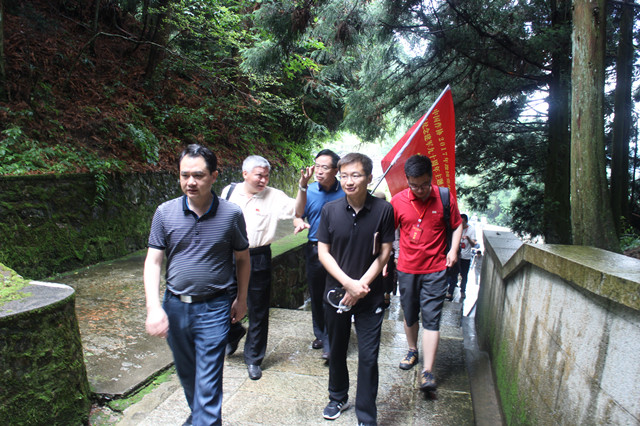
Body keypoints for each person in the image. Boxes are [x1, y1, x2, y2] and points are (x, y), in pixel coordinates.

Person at [144, 144, 251, 426]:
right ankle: (200, 416)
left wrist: (241, 299)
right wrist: (154, 308)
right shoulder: (164, 212)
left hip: (214, 307)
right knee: (188, 373)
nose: (190, 182)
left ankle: (205, 419)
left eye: (199, 175)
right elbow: (153, 261)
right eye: (185, 175)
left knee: (209, 379)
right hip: (175, 306)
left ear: (214, 176)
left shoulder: (231, 214)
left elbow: (243, 259)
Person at [317, 153, 395, 425]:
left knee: (369, 356)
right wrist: (348, 284)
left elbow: (385, 252)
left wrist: (361, 285)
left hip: (370, 295)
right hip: (336, 293)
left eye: (356, 175)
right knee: (336, 350)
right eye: (344, 176)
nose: (349, 181)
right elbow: (323, 252)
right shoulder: (330, 210)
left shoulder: (384, 210)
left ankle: (366, 414)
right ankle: (337, 397)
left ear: (369, 178)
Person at [221, 155, 311, 380]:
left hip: (257, 256)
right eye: (259, 175)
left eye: (266, 176)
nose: (263, 180)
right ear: (245, 174)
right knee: (223, 303)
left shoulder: (274, 196)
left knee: (258, 309)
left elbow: (297, 210)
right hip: (229, 256)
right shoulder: (229, 192)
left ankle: (253, 358)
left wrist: (302, 186)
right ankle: (233, 332)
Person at [391, 154, 462, 392]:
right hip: (407, 268)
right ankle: (412, 350)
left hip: (435, 269)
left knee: (432, 317)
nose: (419, 190)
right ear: (407, 180)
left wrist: (453, 250)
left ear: (430, 177)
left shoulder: (444, 197)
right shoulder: (398, 201)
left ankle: (428, 371)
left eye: (423, 184)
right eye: (414, 185)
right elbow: (387, 232)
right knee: (410, 313)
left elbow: (457, 225)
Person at [293, 149, 344, 361]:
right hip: (314, 248)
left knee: (333, 294)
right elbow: (297, 215)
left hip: (338, 251)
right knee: (316, 294)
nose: (319, 171)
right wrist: (299, 222)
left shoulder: (346, 191)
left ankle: (331, 340)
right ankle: (320, 334)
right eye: (317, 166)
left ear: (336, 170)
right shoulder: (309, 190)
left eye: (325, 167)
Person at [451, 214, 476, 299]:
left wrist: (468, 238)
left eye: (463, 223)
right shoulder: (457, 227)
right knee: (454, 273)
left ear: (466, 222)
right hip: (457, 255)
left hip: (466, 257)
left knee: (464, 275)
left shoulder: (471, 230)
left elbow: (473, 244)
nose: (461, 224)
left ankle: (462, 291)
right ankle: (451, 291)